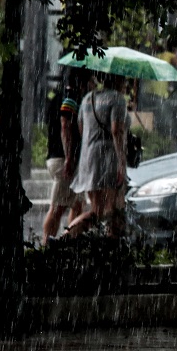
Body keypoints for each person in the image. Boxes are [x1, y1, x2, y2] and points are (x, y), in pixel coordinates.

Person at [67, 73, 129, 238]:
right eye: (125, 79)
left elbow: (81, 128)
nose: (126, 83)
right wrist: (121, 163)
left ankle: (108, 248)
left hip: (88, 158)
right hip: (107, 159)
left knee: (103, 210)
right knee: (107, 211)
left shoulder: (88, 98)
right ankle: (64, 239)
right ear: (118, 79)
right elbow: (117, 131)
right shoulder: (117, 99)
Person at [41, 70, 86, 244]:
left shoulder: (57, 97)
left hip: (60, 158)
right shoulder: (71, 97)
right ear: (82, 82)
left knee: (77, 204)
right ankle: (46, 245)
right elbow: (65, 126)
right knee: (58, 207)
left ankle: (72, 242)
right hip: (64, 160)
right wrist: (69, 157)